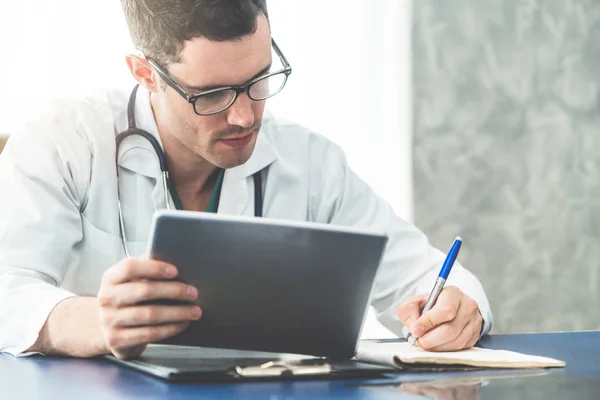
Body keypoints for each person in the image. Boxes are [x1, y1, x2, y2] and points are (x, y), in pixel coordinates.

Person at [0, 0, 492, 360]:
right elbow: (8, 289)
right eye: (211, 94)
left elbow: (423, 276)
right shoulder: (62, 141)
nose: (243, 117)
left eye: (258, 80)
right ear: (144, 74)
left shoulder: (311, 163)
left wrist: (458, 309)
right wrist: (94, 321)